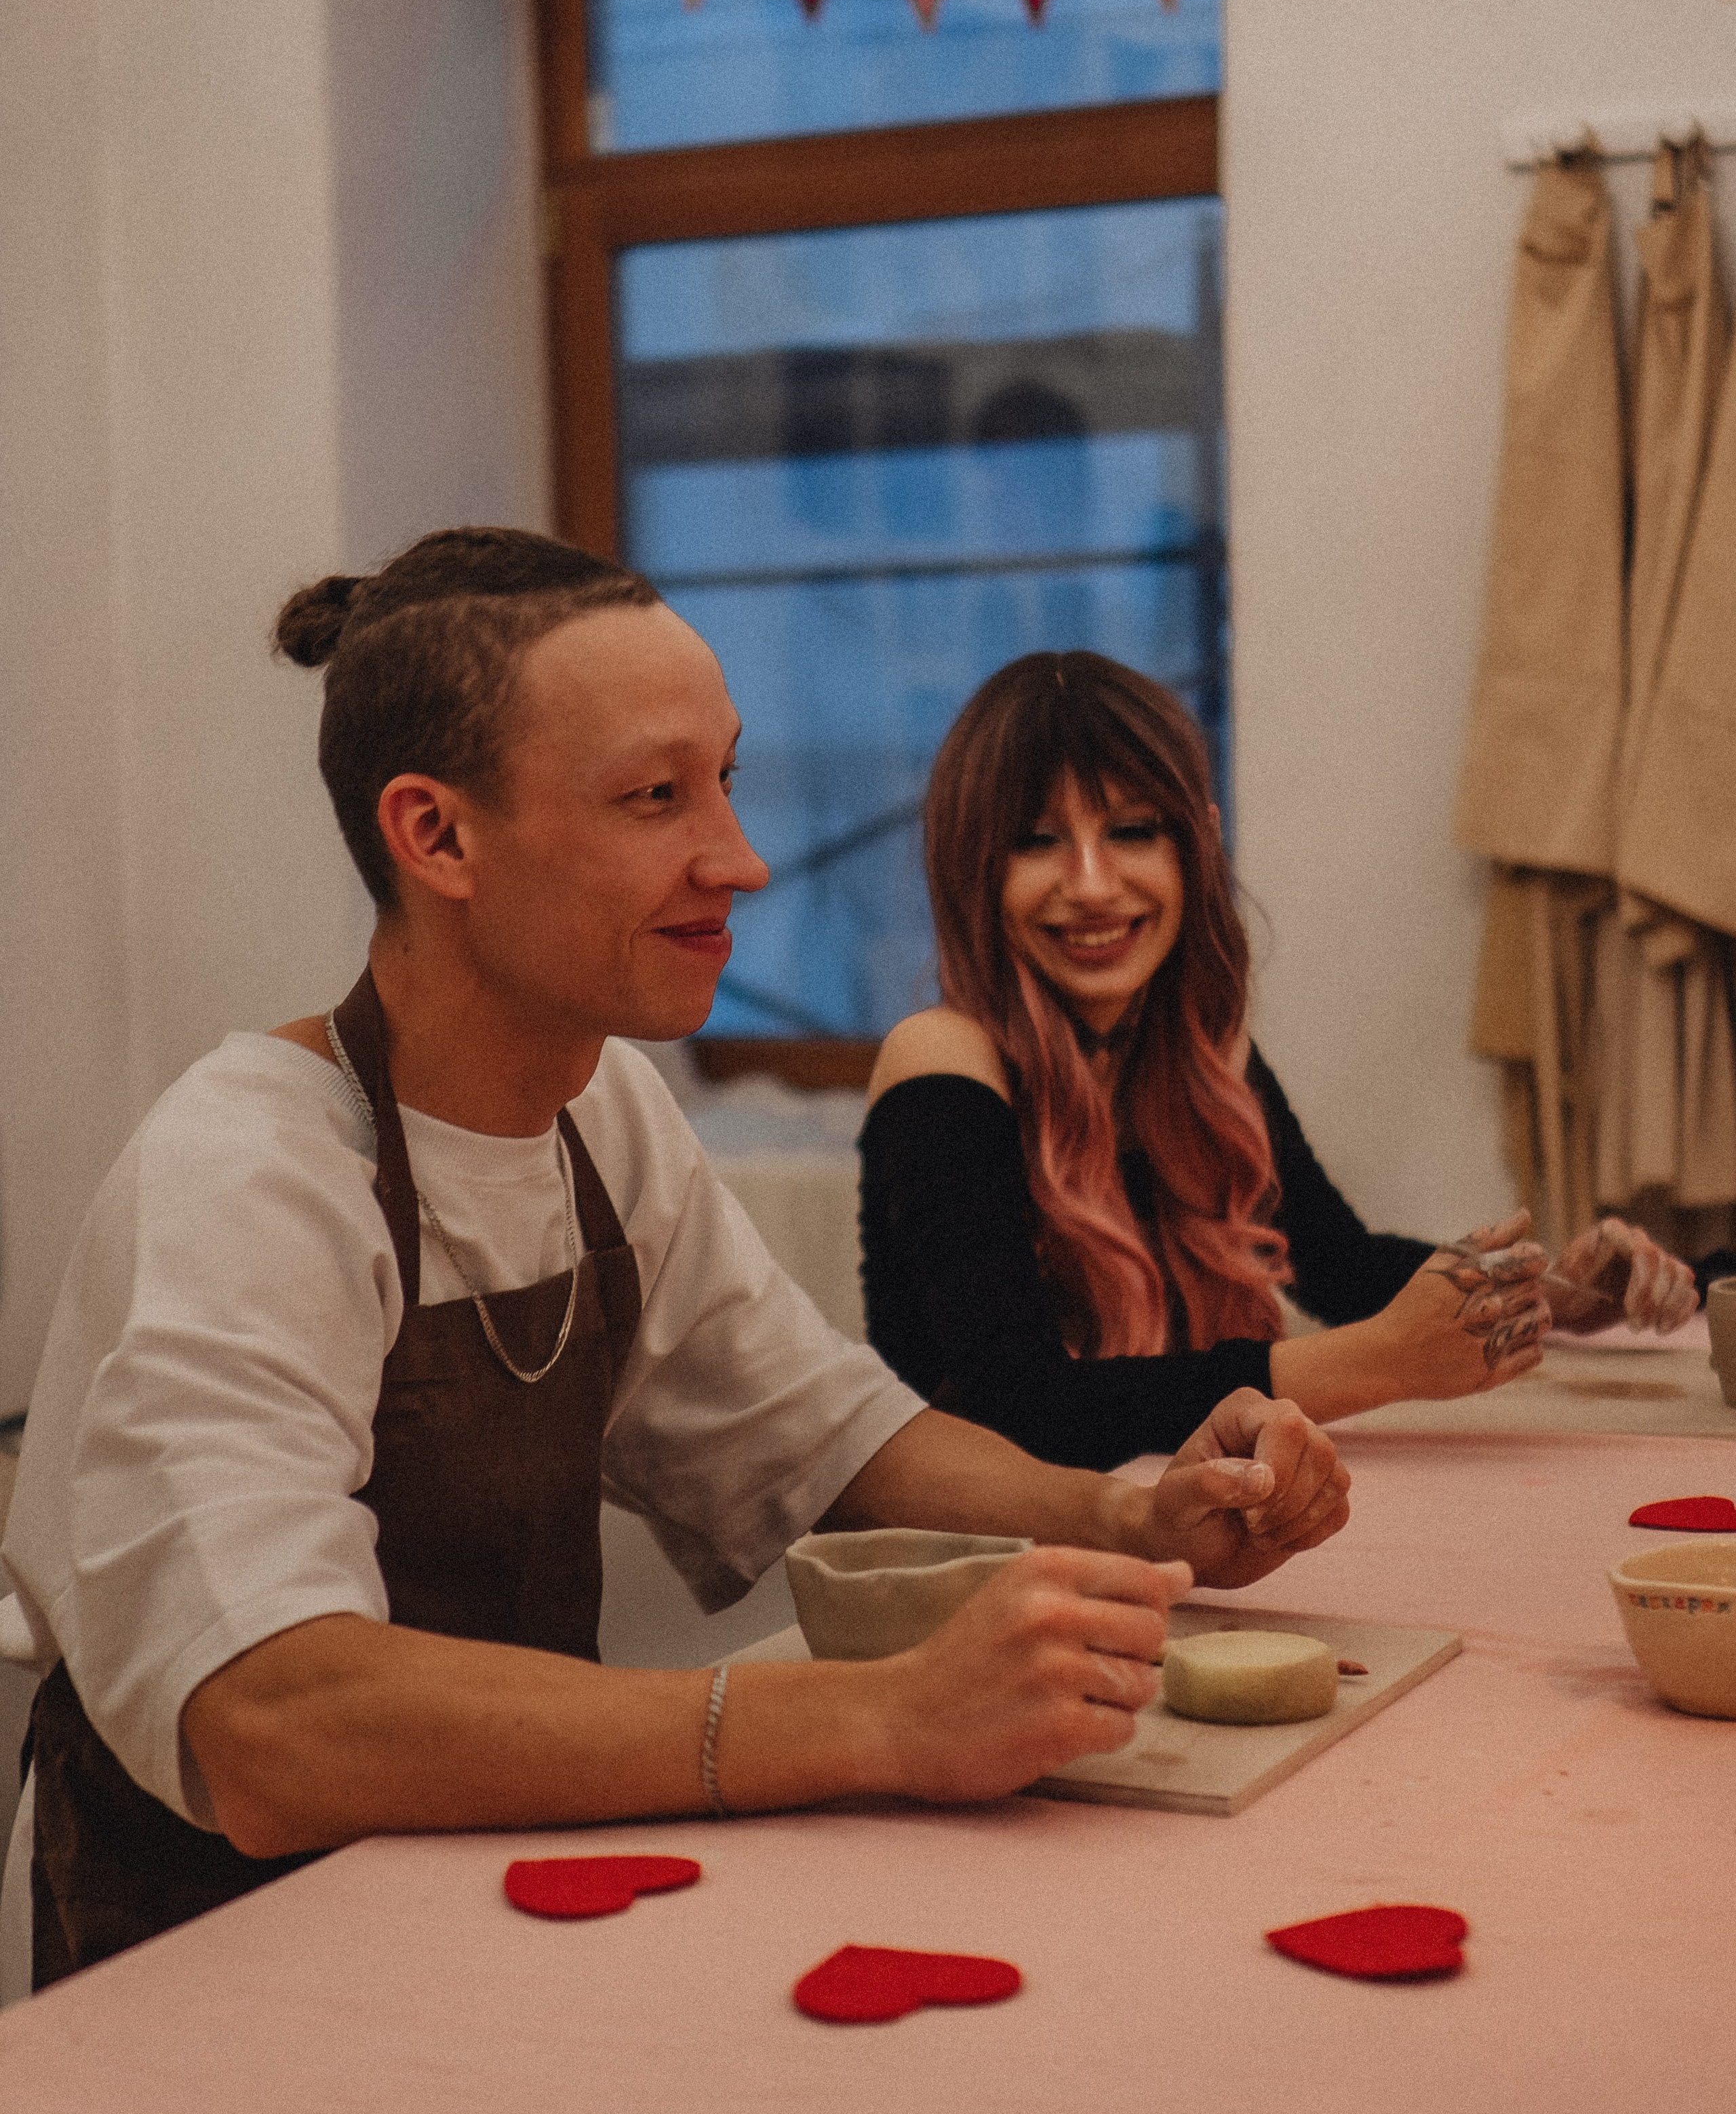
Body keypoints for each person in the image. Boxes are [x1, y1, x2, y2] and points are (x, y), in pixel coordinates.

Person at [0, 534, 1351, 1991]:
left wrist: (1128, 1509)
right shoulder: (250, 1177)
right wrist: (879, 1719)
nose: (740, 857)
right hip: (213, 1961)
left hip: (476, 1894)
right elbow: (272, 1720)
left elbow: (822, 1434)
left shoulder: (600, 1108)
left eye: (728, 780)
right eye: (656, 798)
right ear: (435, 835)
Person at [859, 652, 1701, 1473]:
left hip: (1154, 1524)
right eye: (1036, 841)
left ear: (1198, 845)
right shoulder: (942, 1058)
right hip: (975, 1564)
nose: (1091, 884)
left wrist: (1550, 1292)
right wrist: (1379, 1362)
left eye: (1132, 832)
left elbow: (1335, 1261)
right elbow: (1019, 1407)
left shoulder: (1198, 1045)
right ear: (971, 868)